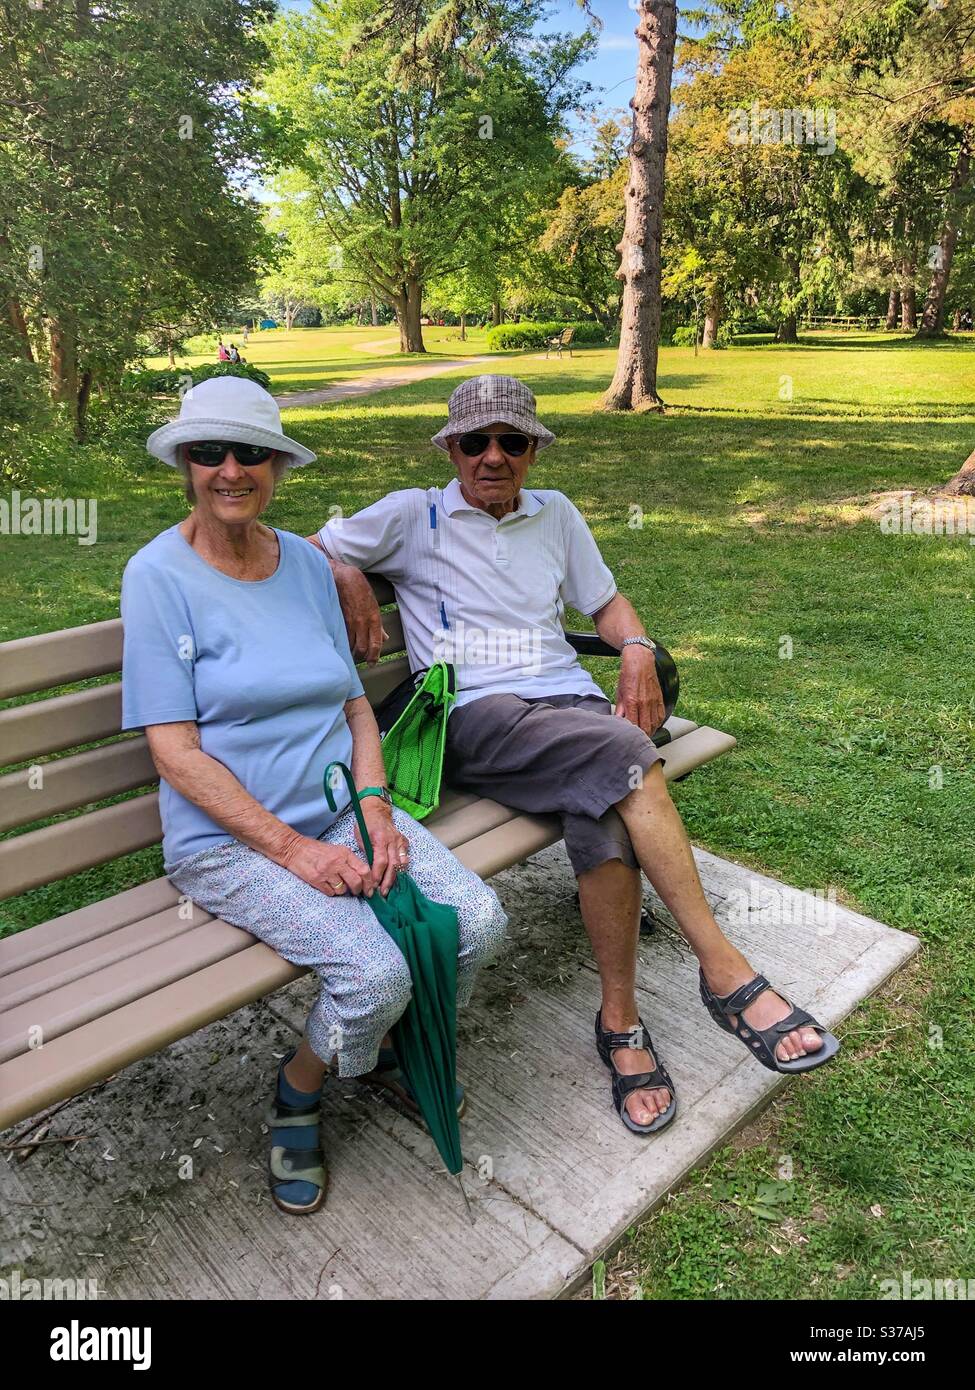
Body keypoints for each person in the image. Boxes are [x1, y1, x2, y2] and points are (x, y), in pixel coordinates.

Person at [309, 374, 839, 1137]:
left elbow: (607, 603)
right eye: (475, 442)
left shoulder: (554, 514)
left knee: (606, 816)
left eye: (512, 442)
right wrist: (347, 572)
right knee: (626, 753)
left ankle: (619, 1025)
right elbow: (301, 548)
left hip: (567, 709)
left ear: (532, 452)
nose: (493, 457)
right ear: (450, 449)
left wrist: (634, 644)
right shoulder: (410, 514)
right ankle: (725, 972)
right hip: (473, 714)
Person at [122, 376, 507, 1215]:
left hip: (341, 803)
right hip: (228, 844)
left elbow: (353, 707)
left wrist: (374, 808)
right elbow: (175, 752)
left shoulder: (305, 564)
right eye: (208, 453)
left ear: (277, 466)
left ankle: (398, 1053)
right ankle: (297, 1092)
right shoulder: (157, 577)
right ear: (184, 467)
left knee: (477, 921)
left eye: (250, 452)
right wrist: (297, 851)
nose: (230, 469)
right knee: (372, 972)